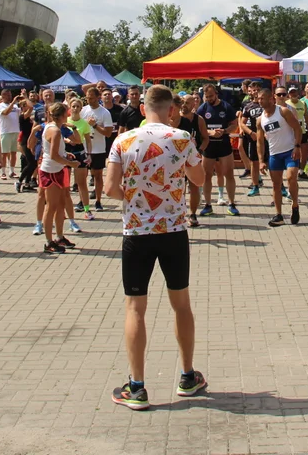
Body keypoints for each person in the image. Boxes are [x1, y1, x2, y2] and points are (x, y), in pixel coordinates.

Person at [105, 85, 206, 410]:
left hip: (137, 232)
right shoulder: (181, 138)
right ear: (171, 109)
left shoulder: (123, 140)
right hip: (174, 230)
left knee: (135, 307)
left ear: (144, 106)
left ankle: (137, 387)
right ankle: (187, 377)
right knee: (181, 304)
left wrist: (134, 199)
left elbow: (109, 188)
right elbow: (199, 179)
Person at [257, 87, 303, 227]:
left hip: (290, 151)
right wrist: (261, 161)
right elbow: (259, 141)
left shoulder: (283, 111)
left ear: (271, 98)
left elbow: (297, 128)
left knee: (291, 178)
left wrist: (297, 146)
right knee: (276, 185)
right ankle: (279, 215)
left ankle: (295, 205)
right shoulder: (260, 120)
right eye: (258, 99)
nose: (260, 101)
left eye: (262, 98)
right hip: (275, 154)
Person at [39, 102, 80, 254]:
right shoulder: (54, 130)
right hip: (51, 171)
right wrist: (70, 163)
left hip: (59, 169)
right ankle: (48, 242)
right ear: (63, 115)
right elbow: (53, 155)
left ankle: (59, 236)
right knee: (51, 207)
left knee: (61, 204)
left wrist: (66, 156)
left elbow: (56, 152)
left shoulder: (55, 128)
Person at [195, 84, 240, 216]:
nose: (209, 99)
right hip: (209, 147)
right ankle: (208, 205)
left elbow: (234, 125)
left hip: (224, 145)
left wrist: (224, 131)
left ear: (216, 93)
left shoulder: (226, 107)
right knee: (207, 176)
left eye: (211, 96)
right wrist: (210, 132)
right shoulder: (203, 108)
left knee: (229, 174)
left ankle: (232, 204)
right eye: (206, 97)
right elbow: (198, 128)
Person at [175, 93, 208, 228]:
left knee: (194, 187)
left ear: (194, 104)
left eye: (187, 103)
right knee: (179, 188)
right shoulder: (175, 120)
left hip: (193, 158)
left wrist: (199, 151)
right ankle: (179, 213)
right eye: (182, 102)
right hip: (178, 160)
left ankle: (193, 214)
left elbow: (206, 138)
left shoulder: (198, 119)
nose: (184, 105)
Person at [80, 86, 113, 212]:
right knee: (82, 176)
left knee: (97, 176)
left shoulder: (104, 113)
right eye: (88, 98)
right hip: (84, 147)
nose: (89, 100)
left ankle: (98, 201)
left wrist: (95, 125)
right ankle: (82, 200)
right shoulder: (83, 110)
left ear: (98, 98)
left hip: (98, 149)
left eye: (92, 98)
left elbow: (108, 133)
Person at [65, 97, 92, 228]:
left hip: (79, 151)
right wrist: (66, 140)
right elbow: (59, 136)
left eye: (77, 107)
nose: (75, 109)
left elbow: (88, 140)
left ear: (81, 109)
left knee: (81, 183)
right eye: (73, 106)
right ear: (70, 107)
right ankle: (64, 210)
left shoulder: (84, 123)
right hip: (66, 151)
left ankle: (87, 209)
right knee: (64, 184)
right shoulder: (65, 121)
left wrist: (89, 155)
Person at [238, 82, 265, 197]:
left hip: (268, 137)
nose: (255, 92)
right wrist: (250, 132)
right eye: (253, 90)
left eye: (258, 89)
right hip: (254, 138)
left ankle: (280, 187)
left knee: (271, 163)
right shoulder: (248, 106)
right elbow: (242, 123)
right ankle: (255, 186)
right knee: (254, 163)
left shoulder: (267, 104)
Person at [0, 89, 22, 179]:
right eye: (7, 95)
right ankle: (3, 172)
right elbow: (5, 113)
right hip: (5, 131)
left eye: (10, 95)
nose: (9, 97)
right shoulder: (0, 106)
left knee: (13, 153)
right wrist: (13, 103)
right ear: (3, 96)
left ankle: (12, 171)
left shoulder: (15, 107)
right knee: (4, 153)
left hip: (15, 130)